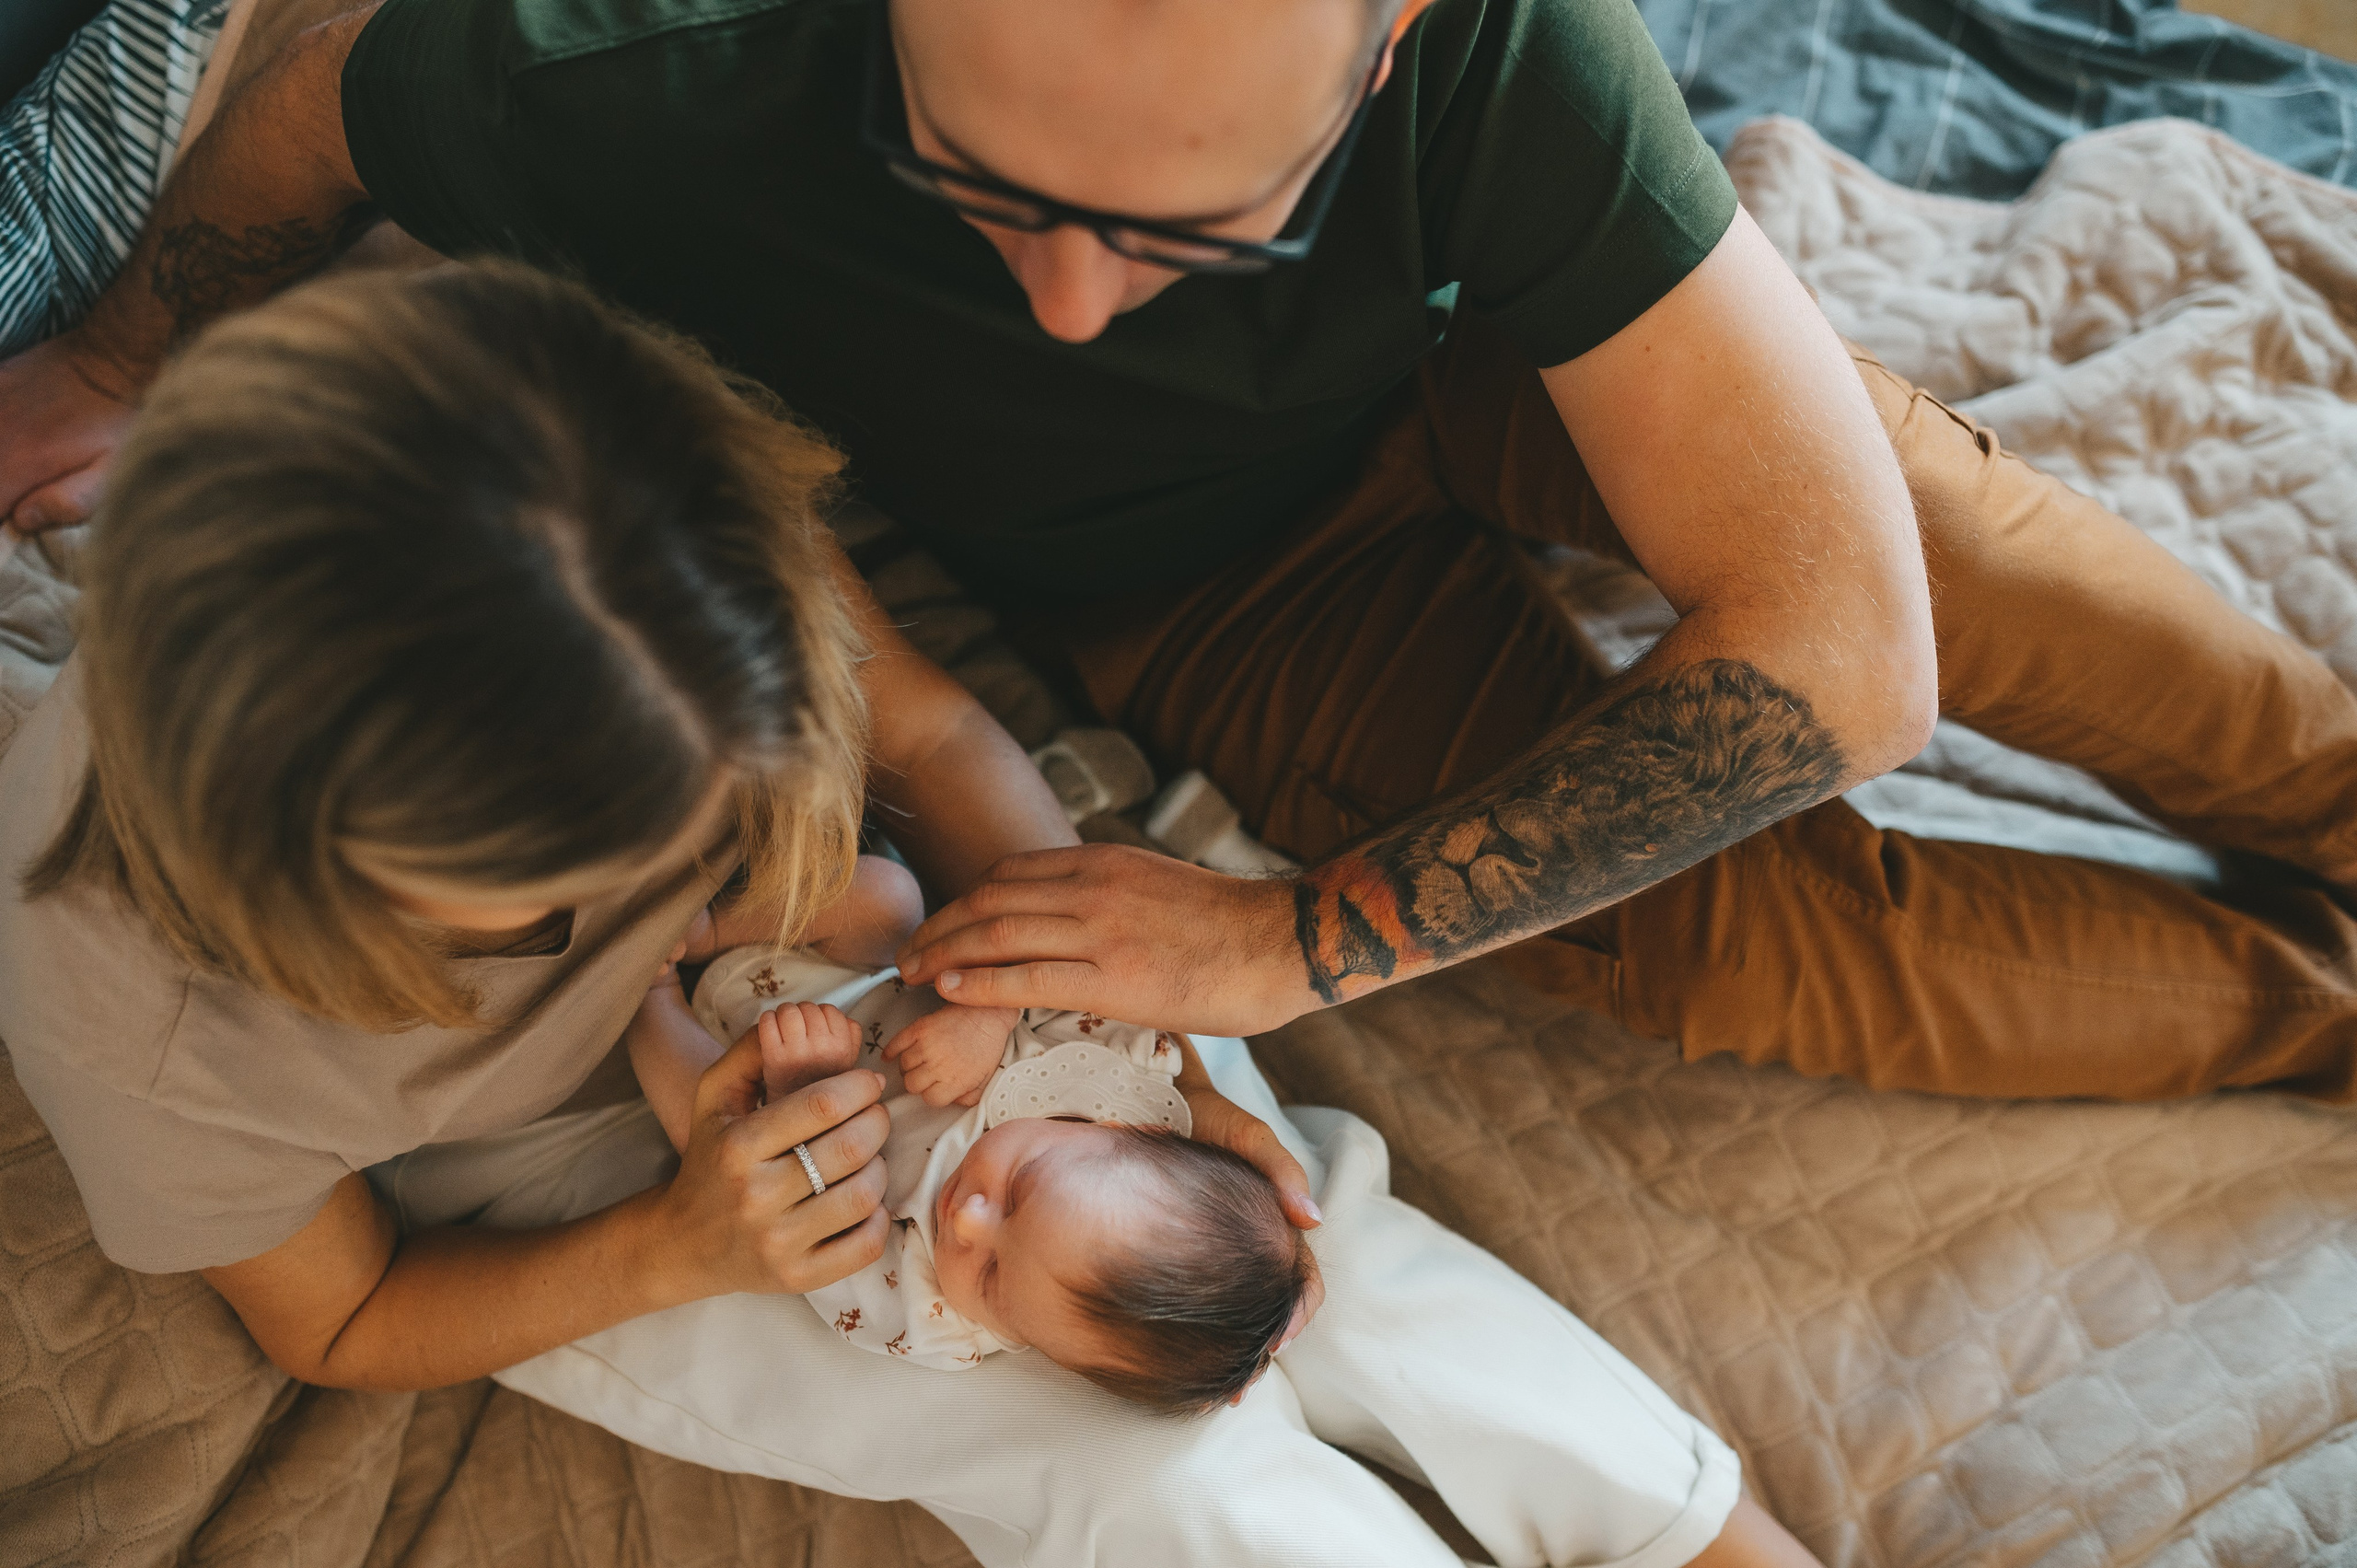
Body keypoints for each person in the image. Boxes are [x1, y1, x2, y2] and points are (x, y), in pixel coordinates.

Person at [3, 0, 2355, 1101]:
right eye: (985, 192)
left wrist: (1284, 946)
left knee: (1985, 561)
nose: (1062, 302)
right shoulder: (613, 68)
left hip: (1486, 361)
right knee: (1772, 953)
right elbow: (312, 91)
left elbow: (1847, 662)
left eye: (1182, 227)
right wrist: (122, 348)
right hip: (1190, 583)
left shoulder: (1505, 50)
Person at [0, 262, 1816, 1565]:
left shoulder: (593, 489)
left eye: (727, 790)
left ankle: (1703, 1530)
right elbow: (340, 1314)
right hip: (587, 1184)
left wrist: (1084, 987)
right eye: (617, 872)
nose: (694, 880)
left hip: (878, 952)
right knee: (1132, 1479)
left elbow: (933, 727)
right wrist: (686, 1238)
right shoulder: (136, 1004)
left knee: (1271, 1239)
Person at [632, 942, 1317, 1410]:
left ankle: (648, 991)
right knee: (890, 897)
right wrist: (986, 1015)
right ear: (1128, 1128)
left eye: (989, 1280)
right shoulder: (1105, 1060)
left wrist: (802, 1091)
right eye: (1020, 1191)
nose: (964, 1222)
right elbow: (1052, 956)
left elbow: (807, 1233)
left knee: (711, 1149)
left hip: (742, 1063)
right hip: (834, 952)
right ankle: (715, 927)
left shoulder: (937, 1319)